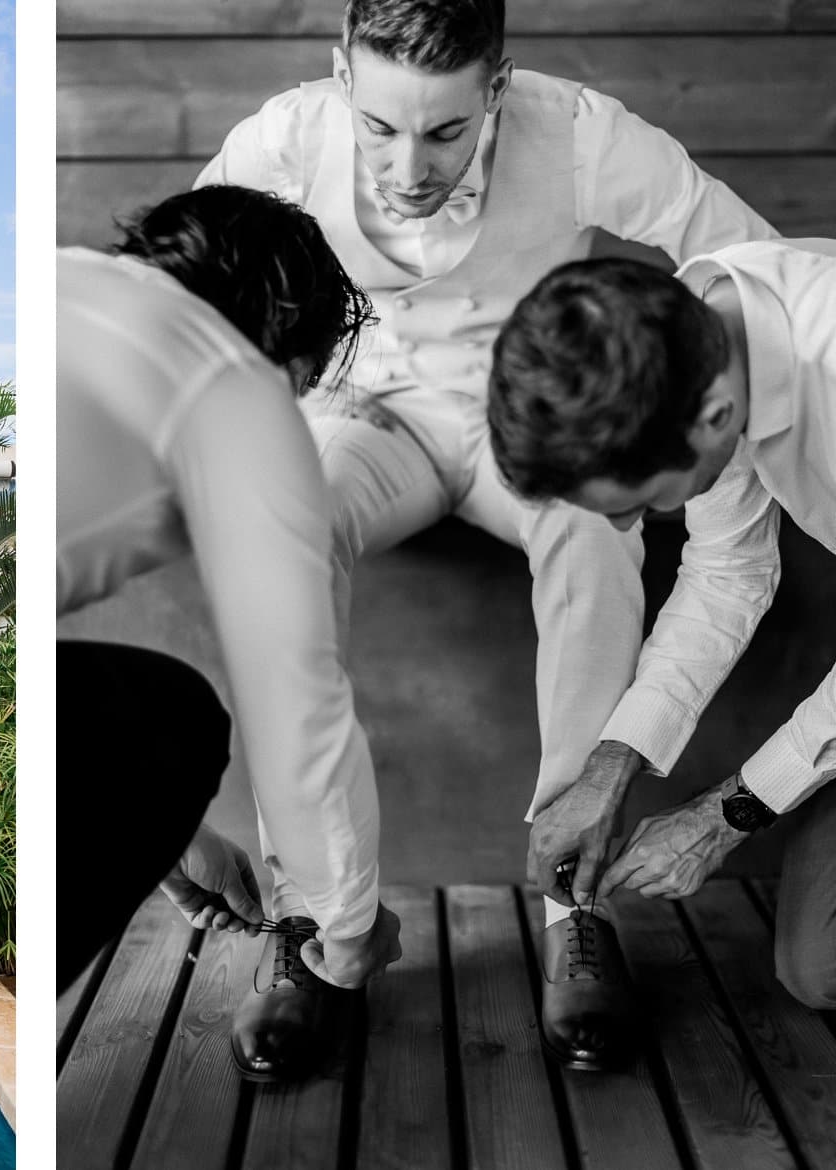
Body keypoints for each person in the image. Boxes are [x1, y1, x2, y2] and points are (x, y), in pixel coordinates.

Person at [194, 0, 778, 1073]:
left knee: (599, 535)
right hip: (368, 420)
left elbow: (757, 263)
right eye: (379, 128)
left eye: (446, 131)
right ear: (339, 80)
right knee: (283, 525)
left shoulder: (585, 135)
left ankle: (576, 909)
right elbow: (181, 314)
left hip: (530, 429)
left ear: (497, 91)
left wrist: (654, 396)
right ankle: (314, 928)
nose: (409, 165)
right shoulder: (280, 140)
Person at [57, 186, 402, 1076]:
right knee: (173, 715)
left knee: (141, 710)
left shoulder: (63, 282)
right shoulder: (239, 389)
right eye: (306, 382)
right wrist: (350, 928)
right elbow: (299, 708)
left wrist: (170, 841)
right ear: (289, 350)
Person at [487, 242, 836, 1010]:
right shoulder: (693, 341)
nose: (634, 523)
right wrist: (607, 772)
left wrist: (725, 815)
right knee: (821, 965)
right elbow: (728, 571)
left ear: (715, 419)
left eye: (644, 503)